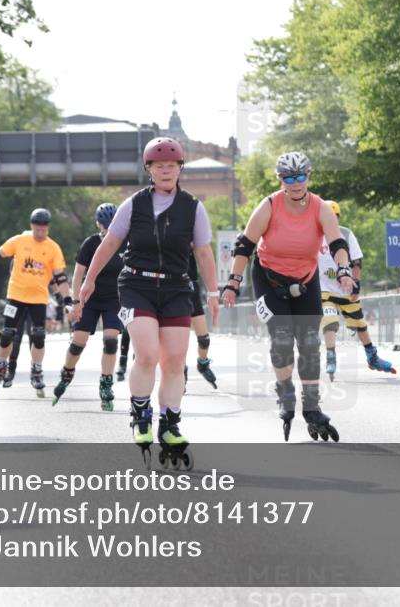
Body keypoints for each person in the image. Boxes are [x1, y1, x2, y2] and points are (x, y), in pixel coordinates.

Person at [80, 137, 218, 469]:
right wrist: (89, 280)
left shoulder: (193, 207)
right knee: (147, 353)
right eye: (159, 166)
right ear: (150, 170)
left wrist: (213, 292)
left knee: (174, 361)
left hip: (175, 288)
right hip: (136, 284)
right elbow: (111, 242)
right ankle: (140, 413)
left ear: (180, 168)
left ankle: (170, 424)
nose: (166, 170)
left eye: (172, 165)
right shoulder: (134, 205)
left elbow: (202, 252)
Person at [220, 152, 354, 442]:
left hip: (305, 280)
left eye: (301, 177)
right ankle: (285, 391)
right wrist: (232, 283)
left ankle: (313, 407)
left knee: (308, 342)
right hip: (269, 279)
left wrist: (344, 268)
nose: (295, 183)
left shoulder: (320, 207)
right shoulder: (270, 205)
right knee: (281, 337)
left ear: (309, 176)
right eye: (288, 178)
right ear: (280, 180)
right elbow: (245, 246)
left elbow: (337, 242)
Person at [0, 208, 71, 398]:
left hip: (38, 299)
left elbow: (60, 277)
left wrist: (68, 299)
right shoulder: (20, 241)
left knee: (38, 335)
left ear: (48, 228)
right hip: (15, 296)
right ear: (32, 226)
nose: (40, 233)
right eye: (37, 229)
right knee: (7, 335)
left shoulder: (53, 248)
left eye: (44, 230)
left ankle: (37, 371)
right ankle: (0, 368)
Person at [53, 202, 128, 406]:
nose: (107, 229)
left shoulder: (126, 243)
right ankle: (67, 371)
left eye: (111, 224)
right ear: (98, 224)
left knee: (111, 340)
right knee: (78, 342)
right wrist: (77, 302)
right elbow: (78, 275)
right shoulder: (90, 243)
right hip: (90, 299)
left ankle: (106, 382)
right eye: (104, 225)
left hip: (114, 300)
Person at [318, 200, 395, 380]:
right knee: (330, 321)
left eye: (334, 217)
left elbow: (356, 262)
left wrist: (356, 283)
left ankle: (372, 357)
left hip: (345, 288)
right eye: (328, 217)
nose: (332, 220)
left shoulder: (345, 233)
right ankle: (331, 356)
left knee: (359, 324)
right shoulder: (314, 235)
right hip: (323, 289)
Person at [184, 253, 217, 388]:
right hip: (170, 287)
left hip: (191, 287)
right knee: (178, 340)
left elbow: (204, 257)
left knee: (204, 340)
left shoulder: (191, 232)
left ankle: (202, 364)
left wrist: (212, 292)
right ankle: (180, 371)